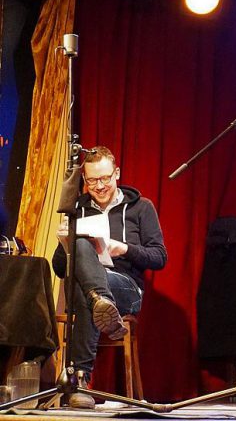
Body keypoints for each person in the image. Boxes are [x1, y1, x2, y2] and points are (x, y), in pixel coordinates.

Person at [52, 146, 167, 409]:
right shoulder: (77, 209)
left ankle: (80, 380)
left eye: (105, 178)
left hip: (125, 287)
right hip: (88, 289)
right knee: (80, 249)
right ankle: (101, 302)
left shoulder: (141, 207)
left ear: (116, 173)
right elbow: (60, 268)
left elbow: (160, 257)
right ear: (85, 180)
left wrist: (124, 248)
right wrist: (64, 243)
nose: (99, 186)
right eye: (92, 180)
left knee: (84, 291)